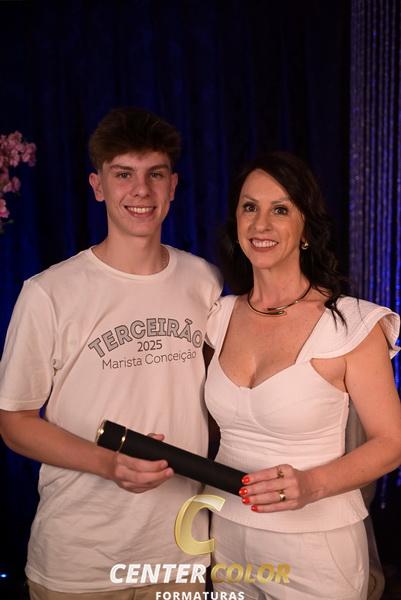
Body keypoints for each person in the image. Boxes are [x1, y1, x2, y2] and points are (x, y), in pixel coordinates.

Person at [0, 107, 221, 599]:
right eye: (123, 175)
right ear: (97, 186)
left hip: (180, 554)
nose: (141, 191)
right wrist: (107, 463)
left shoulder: (204, 281)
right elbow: (14, 421)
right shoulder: (48, 293)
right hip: (81, 560)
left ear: (173, 186)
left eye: (155, 175)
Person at [205, 151, 401, 600]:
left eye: (280, 210)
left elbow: (392, 442)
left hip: (316, 549)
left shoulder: (352, 324)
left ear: (306, 229)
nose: (261, 224)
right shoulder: (218, 316)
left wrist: (311, 485)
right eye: (249, 207)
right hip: (227, 534)